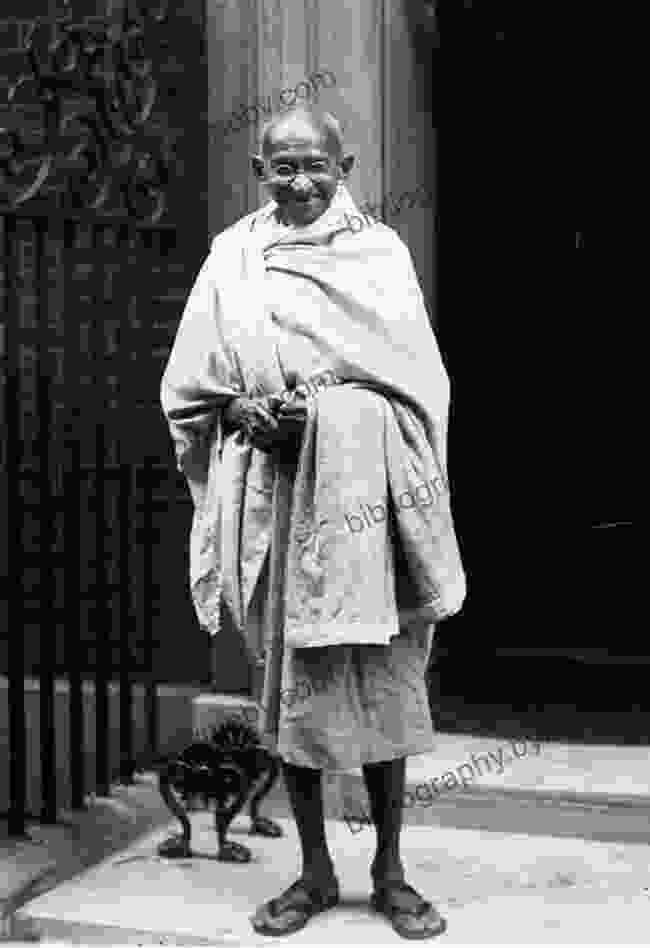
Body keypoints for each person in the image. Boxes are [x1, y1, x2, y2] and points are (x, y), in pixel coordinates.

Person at [160, 106, 466, 940]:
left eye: (316, 167)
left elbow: (417, 390)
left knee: (383, 685)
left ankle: (392, 873)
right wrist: (242, 407)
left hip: (367, 511)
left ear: (347, 164)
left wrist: (327, 420)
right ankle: (315, 873)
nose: (299, 182)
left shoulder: (379, 254)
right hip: (274, 502)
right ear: (259, 166)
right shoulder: (233, 255)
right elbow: (191, 384)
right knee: (287, 690)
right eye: (281, 166)